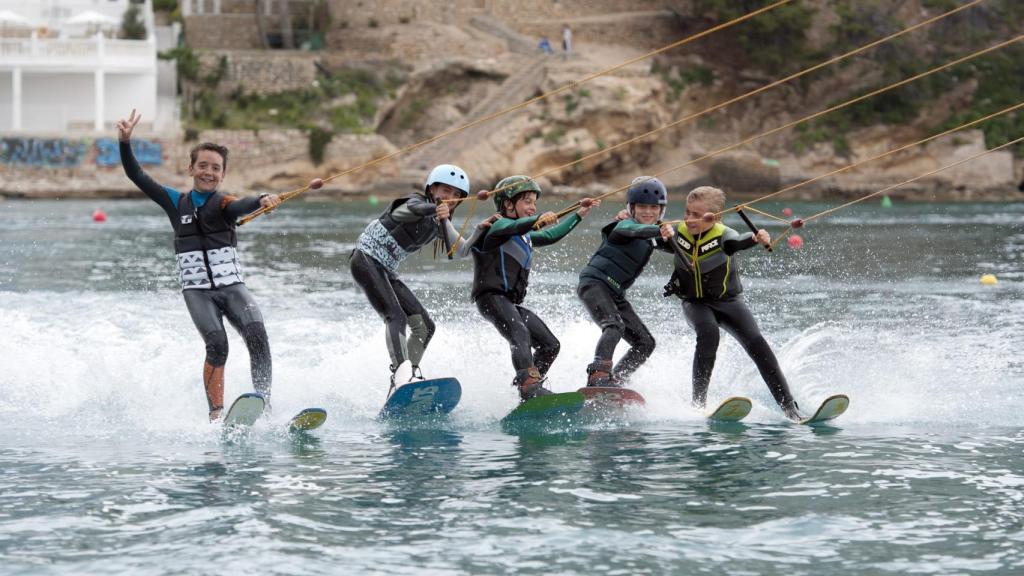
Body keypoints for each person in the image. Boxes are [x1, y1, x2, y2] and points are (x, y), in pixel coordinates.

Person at [116, 109, 281, 422]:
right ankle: (216, 413)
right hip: (197, 292)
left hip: (232, 288)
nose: (209, 171)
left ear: (222, 175)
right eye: (202, 165)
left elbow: (244, 203)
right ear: (191, 168)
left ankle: (265, 403)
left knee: (258, 336)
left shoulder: (225, 204)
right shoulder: (175, 203)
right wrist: (125, 142)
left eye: (216, 168)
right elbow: (137, 176)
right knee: (217, 345)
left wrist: (262, 198)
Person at [663, 186, 803, 421]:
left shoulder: (723, 234)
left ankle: (790, 408)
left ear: (715, 217)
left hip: (729, 303)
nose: (689, 218)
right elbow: (648, 239)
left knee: (758, 345)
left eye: (696, 215)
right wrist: (652, 230)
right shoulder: (677, 233)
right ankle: (698, 405)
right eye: (687, 212)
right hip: (695, 303)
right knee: (708, 333)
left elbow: (736, 243)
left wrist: (756, 238)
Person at [350, 164, 489, 392]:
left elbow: (461, 250)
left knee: (425, 327)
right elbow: (408, 211)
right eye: (445, 191)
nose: (450, 198)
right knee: (395, 316)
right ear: (431, 189)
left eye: (456, 195)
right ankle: (401, 376)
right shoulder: (413, 202)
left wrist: (481, 229)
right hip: (365, 259)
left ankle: (406, 380)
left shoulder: (441, 222)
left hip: (385, 269)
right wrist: (433, 209)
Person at [471, 175, 599, 401]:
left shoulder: (524, 235)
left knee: (550, 345)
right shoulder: (498, 225)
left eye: (534, 203)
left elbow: (549, 235)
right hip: (491, 298)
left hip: (508, 303)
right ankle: (528, 385)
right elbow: (517, 225)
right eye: (527, 201)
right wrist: (538, 218)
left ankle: (531, 388)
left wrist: (579, 214)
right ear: (508, 204)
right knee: (519, 332)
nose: (532, 207)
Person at [577, 177, 673, 387]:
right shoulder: (623, 226)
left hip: (615, 293)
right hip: (594, 284)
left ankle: (617, 382)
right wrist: (660, 230)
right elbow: (636, 231)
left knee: (645, 342)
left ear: (661, 210)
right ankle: (598, 375)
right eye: (642, 207)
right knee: (614, 325)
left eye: (654, 207)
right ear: (632, 208)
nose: (648, 212)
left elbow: (679, 247)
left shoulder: (654, 236)